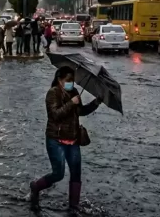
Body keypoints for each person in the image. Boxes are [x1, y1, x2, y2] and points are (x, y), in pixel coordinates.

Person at [29, 66, 101, 213]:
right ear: (59, 80)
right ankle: (36, 187)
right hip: (56, 140)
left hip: (73, 140)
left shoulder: (74, 92)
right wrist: (71, 103)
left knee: (76, 174)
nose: (71, 84)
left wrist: (96, 102)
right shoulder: (52, 93)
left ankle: (73, 206)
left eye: (73, 81)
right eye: (68, 81)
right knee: (58, 174)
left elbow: (80, 111)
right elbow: (55, 114)